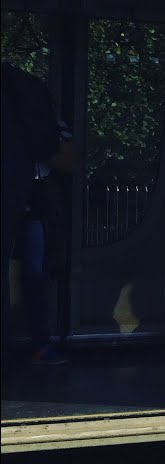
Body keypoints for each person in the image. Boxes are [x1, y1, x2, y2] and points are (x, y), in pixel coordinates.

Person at [1, 62, 67, 368]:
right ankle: (41, 345)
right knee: (35, 276)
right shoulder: (33, 104)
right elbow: (66, 156)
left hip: (21, 199)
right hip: (30, 200)